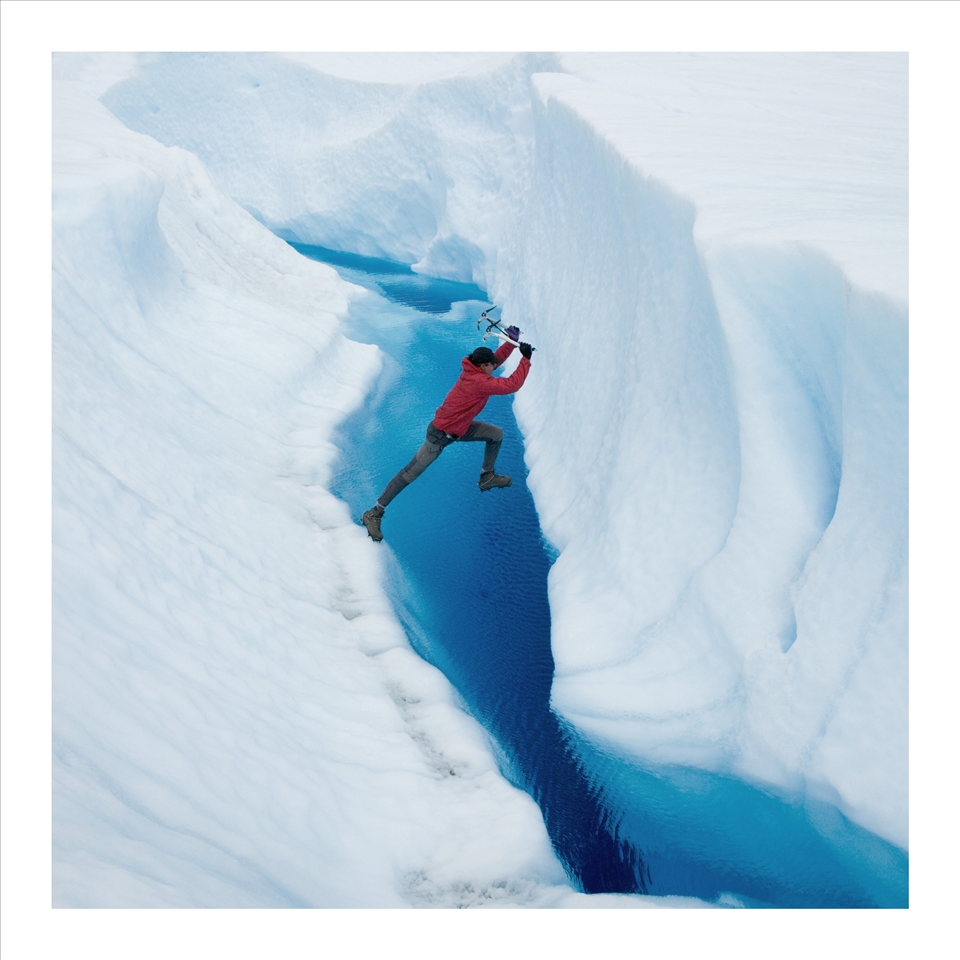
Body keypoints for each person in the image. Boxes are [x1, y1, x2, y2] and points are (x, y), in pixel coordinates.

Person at [361, 329, 533, 541]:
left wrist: (511, 341)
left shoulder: (475, 370)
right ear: (482, 366)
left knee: (496, 434)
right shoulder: (478, 381)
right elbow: (511, 385)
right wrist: (525, 359)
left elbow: (495, 360)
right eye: (491, 365)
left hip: (460, 428)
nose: (494, 367)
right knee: (408, 474)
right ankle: (374, 512)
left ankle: (487, 477)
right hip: (440, 435)